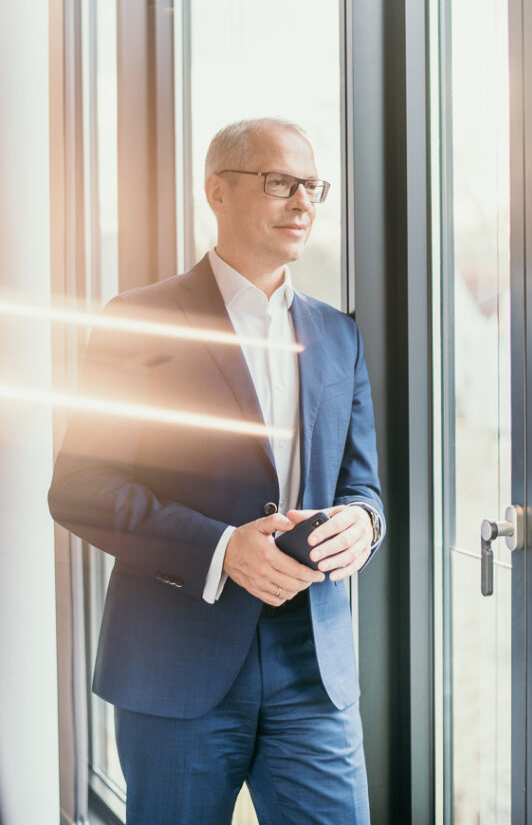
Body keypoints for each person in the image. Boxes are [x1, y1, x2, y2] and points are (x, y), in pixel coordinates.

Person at [48, 117, 384, 825]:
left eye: (311, 187)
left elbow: (362, 485)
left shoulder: (338, 333)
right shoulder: (139, 320)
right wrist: (222, 549)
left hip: (313, 674)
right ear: (217, 192)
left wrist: (362, 523)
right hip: (177, 667)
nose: (302, 202)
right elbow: (79, 487)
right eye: (280, 183)